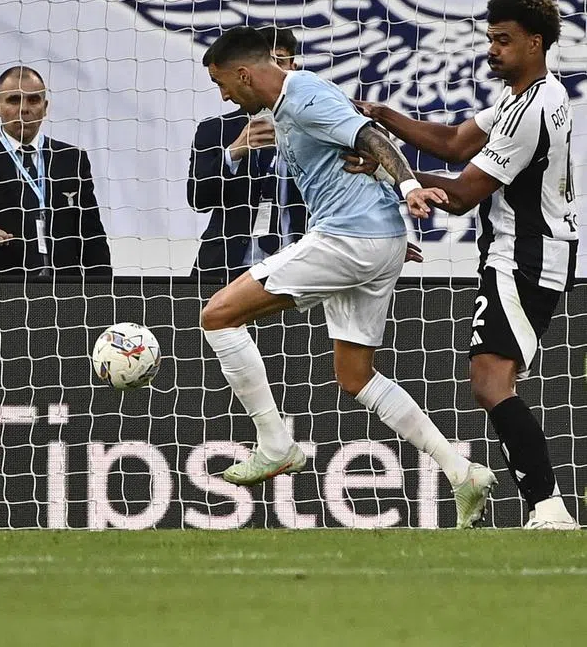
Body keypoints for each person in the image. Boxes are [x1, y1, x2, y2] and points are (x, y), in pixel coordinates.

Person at [198, 26, 497, 528]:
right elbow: (357, 158)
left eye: (222, 83)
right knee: (355, 374)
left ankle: (274, 444)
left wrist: (406, 190)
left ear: (245, 74)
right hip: (374, 241)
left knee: (219, 316)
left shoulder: (305, 96)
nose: (224, 95)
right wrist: (391, 221)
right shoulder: (295, 101)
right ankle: (460, 471)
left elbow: (371, 137)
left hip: (348, 240)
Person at [349, 0, 579, 530]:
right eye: (490, 39)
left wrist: (389, 171)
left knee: (491, 380)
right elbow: (453, 141)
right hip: (519, 249)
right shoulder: (519, 97)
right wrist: (382, 118)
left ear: (536, 42)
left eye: (504, 41)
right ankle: (545, 507)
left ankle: (548, 508)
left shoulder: (532, 109)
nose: (492, 50)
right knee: (489, 379)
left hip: (526, 252)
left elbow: (461, 193)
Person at [0, 67, 112, 277]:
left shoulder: (71, 159)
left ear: (45, 107)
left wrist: (103, 297)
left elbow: (92, 238)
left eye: (33, 100)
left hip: (63, 293)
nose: (23, 109)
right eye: (14, 100)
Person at [188, 27, 306, 282]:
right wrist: (234, 152)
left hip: (299, 267)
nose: (273, 69)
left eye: (280, 61)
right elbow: (198, 199)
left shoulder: (315, 123)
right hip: (226, 268)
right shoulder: (216, 129)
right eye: (267, 61)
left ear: (293, 67)